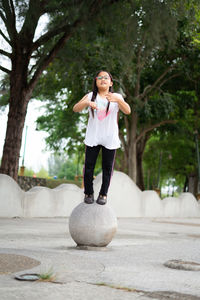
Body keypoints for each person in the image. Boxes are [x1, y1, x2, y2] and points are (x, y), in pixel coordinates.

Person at [73, 70, 131, 205]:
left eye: (106, 78)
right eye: (100, 77)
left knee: (107, 168)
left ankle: (103, 194)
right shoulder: (90, 96)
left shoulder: (116, 96)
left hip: (109, 138)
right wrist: (87, 103)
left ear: (111, 82)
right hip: (93, 136)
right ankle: (88, 192)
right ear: (96, 81)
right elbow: (76, 108)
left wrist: (118, 100)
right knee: (88, 167)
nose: (103, 79)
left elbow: (128, 111)